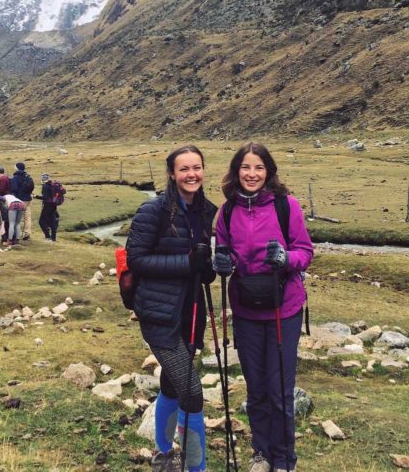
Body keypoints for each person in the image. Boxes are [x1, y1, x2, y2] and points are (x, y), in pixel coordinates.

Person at [214, 143, 313, 472]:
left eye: (258, 168)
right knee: (256, 389)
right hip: (245, 311)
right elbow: (225, 255)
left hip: (283, 309)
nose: (252, 174)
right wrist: (222, 263)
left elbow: (305, 252)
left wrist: (287, 259)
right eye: (245, 167)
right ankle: (262, 452)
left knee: (279, 391)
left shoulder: (287, 207)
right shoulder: (227, 212)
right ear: (236, 171)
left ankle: (285, 460)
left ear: (268, 171)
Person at [127, 145, 216, 472]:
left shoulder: (207, 210)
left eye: (197, 167)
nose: (191, 174)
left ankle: (164, 452)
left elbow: (201, 270)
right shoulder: (154, 211)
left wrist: (210, 267)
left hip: (192, 313)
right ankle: (196, 467)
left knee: (171, 384)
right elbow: (137, 260)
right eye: (184, 169)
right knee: (192, 393)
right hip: (158, 313)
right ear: (172, 174)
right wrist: (187, 262)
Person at [10, 162, 34, 240]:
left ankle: (17, 234)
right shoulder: (28, 176)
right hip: (29, 199)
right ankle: (27, 233)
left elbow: (14, 189)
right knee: (28, 217)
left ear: (17, 168)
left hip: (20, 200)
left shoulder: (15, 177)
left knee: (17, 218)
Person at [36, 173, 59, 243]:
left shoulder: (45, 186)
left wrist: (35, 196)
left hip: (47, 205)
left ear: (42, 179)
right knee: (52, 221)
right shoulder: (52, 185)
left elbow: (45, 197)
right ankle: (53, 238)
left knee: (41, 222)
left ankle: (48, 236)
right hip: (54, 205)